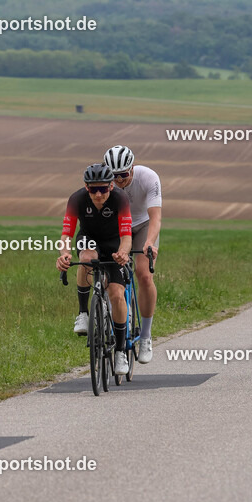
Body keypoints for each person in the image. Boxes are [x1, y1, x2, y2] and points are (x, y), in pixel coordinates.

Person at [56, 164, 134, 375]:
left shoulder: (120, 199)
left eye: (103, 189)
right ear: (86, 187)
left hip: (114, 243)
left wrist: (124, 253)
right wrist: (64, 254)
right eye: (93, 189)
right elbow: (66, 235)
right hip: (89, 239)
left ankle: (119, 352)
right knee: (86, 257)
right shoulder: (77, 199)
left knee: (117, 294)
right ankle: (83, 313)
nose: (98, 194)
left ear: (111, 186)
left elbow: (127, 236)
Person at [104, 145, 162, 364]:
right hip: (119, 228)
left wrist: (149, 243)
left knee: (144, 273)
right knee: (111, 274)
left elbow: (155, 217)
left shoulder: (148, 178)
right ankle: (116, 319)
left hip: (144, 224)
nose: (119, 181)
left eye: (123, 175)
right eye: (114, 176)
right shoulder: (104, 183)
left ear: (132, 167)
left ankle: (145, 336)